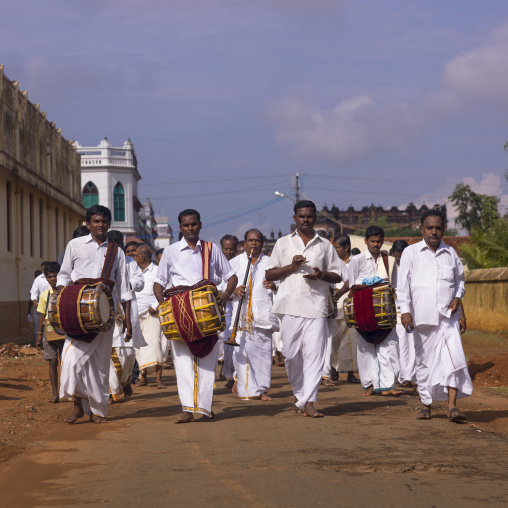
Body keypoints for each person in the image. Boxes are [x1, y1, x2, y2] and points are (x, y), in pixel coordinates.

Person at [154, 209, 238, 423]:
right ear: (180, 227)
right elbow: (159, 283)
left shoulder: (212, 249)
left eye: (193, 224)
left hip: (207, 312)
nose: (190, 228)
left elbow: (231, 276)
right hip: (180, 313)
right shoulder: (171, 251)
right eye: (186, 225)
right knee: (182, 362)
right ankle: (187, 409)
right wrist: (164, 306)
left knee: (207, 362)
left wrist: (226, 295)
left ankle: (204, 408)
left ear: (200, 225)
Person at [266, 200, 345, 418]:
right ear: (295, 218)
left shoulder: (324, 245)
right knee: (291, 355)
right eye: (301, 216)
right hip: (290, 306)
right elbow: (269, 274)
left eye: (309, 216)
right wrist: (292, 267)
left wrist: (321, 275)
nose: (306, 220)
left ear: (315, 218)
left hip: (316, 306)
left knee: (314, 355)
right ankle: (299, 394)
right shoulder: (283, 243)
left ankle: (309, 401)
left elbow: (338, 274)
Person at [57, 205, 132, 424]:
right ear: (88, 223)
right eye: (96, 221)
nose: (100, 225)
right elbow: (63, 275)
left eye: (104, 221)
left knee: (99, 365)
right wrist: (61, 295)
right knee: (71, 361)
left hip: (105, 312)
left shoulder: (116, 250)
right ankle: (78, 405)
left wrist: (128, 319)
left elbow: (125, 287)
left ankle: (98, 411)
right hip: (76, 310)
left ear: (109, 224)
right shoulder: (75, 245)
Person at [398, 209, 472, 421]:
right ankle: (426, 405)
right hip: (422, 318)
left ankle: (452, 406)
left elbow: (460, 281)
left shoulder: (451, 253)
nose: (433, 231)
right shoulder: (410, 253)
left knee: (453, 359)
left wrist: (458, 298)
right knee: (424, 363)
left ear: (443, 230)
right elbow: (403, 287)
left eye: (438, 228)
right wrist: (405, 312)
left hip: (448, 319)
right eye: (429, 227)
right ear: (421, 229)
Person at [348, 226, 402, 396]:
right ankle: (369, 384)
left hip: (384, 311)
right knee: (365, 348)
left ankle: (388, 385)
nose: (376, 244)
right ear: (366, 242)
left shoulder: (388, 260)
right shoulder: (356, 260)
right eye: (372, 241)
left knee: (390, 347)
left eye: (379, 241)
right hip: (363, 311)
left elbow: (394, 286)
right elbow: (351, 286)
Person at [230, 229, 278, 400]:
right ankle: (246, 390)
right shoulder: (234, 263)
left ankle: (262, 390)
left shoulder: (271, 263)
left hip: (263, 316)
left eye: (257, 241)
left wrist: (274, 287)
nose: (254, 244)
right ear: (244, 243)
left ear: (262, 244)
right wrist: (234, 291)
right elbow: (222, 288)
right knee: (242, 354)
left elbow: (282, 286)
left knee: (263, 355)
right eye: (250, 240)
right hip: (241, 318)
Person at [107, 231, 146, 402]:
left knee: (129, 354)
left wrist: (127, 284)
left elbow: (140, 282)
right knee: (111, 353)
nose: (116, 245)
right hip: (107, 313)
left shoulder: (130, 262)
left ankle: (125, 381)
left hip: (127, 313)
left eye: (118, 242)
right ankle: (112, 391)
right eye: (112, 242)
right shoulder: (103, 262)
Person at [325, 235, 360, 385]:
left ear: (346, 248)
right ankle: (332, 368)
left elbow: (353, 282)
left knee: (350, 342)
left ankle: (350, 373)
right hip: (334, 308)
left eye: (337, 247)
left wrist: (341, 292)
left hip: (350, 306)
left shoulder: (357, 261)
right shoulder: (332, 262)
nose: (334, 250)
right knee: (333, 341)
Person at [134, 244, 166, 389]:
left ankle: (159, 380)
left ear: (142, 257)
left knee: (154, 345)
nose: (133, 258)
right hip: (135, 314)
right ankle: (143, 377)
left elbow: (166, 289)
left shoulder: (157, 271)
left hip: (152, 313)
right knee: (138, 349)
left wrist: (155, 305)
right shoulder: (133, 271)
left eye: (135, 255)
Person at [36, 262, 63, 403]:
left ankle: (68, 391)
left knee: (66, 361)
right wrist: (39, 334)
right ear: (46, 278)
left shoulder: (66, 292)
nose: (53, 279)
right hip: (49, 330)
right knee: (52, 361)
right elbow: (41, 314)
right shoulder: (45, 295)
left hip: (65, 330)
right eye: (50, 276)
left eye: (55, 276)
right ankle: (55, 393)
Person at [390, 240, 415, 387]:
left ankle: (407, 377)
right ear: (393, 254)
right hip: (394, 314)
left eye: (401, 256)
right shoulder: (390, 268)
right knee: (396, 347)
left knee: (409, 345)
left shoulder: (413, 267)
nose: (399, 259)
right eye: (397, 256)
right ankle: (397, 375)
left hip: (409, 313)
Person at [218, 234, 238, 388]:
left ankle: (234, 376)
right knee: (224, 344)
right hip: (220, 310)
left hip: (238, 309)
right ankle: (227, 372)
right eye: (226, 249)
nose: (229, 252)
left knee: (236, 344)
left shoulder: (240, 263)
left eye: (232, 249)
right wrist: (225, 294)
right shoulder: (216, 264)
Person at [29, 262, 50, 338]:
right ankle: (38, 344)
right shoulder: (38, 279)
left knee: (49, 327)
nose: (44, 271)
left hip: (50, 306)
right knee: (38, 327)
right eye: (42, 269)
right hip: (40, 307)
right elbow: (33, 292)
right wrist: (35, 303)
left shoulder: (53, 277)